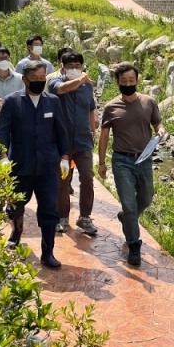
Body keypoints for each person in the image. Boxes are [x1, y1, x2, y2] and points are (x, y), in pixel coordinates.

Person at [0, 61, 69, 269]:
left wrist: (64, 157)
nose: (39, 82)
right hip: (20, 165)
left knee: (49, 210)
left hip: (47, 166)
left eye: (42, 79)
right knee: (16, 206)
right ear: (24, 79)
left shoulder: (53, 102)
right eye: (35, 79)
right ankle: (16, 231)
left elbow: (60, 131)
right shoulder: (12, 102)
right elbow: (3, 131)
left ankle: (48, 252)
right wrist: (2, 157)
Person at [97, 63, 167, 266]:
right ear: (117, 82)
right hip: (122, 161)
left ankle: (127, 217)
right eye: (124, 81)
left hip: (144, 159)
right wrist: (102, 163)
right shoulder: (111, 107)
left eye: (131, 80)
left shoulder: (148, 102)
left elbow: (157, 123)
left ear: (136, 80)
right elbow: (103, 137)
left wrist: (161, 130)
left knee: (146, 198)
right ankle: (134, 245)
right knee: (129, 203)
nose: (128, 84)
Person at [48, 51, 99, 235]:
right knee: (62, 180)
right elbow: (62, 89)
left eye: (78, 66)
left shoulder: (87, 87)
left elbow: (91, 107)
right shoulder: (55, 82)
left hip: (83, 140)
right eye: (70, 66)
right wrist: (80, 80)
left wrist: (94, 124)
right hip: (62, 142)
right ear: (62, 67)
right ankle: (62, 217)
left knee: (87, 178)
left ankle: (85, 218)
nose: (75, 69)